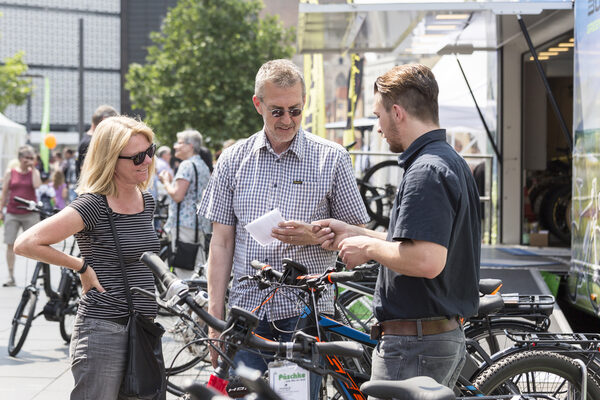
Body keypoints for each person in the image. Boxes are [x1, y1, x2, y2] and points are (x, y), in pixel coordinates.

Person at [198, 59, 370, 378]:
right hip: (246, 311)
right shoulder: (233, 160)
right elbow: (220, 244)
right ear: (258, 105)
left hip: (306, 313)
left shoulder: (331, 158)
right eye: (277, 111)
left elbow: (360, 236)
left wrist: (315, 236)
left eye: (296, 110)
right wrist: (214, 319)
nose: (288, 120)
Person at [314, 64, 481, 388]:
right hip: (428, 340)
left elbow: (426, 260)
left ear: (397, 112)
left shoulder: (426, 171)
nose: (378, 127)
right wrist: (354, 232)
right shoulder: (447, 160)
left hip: (414, 346)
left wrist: (367, 247)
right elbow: (416, 242)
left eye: (378, 116)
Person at [14, 116, 162, 399]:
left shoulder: (146, 200)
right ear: (110, 159)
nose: (147, 161)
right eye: (137, 157)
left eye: (150, 151)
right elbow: (25, 243)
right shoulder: (93, 204)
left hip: (142, 328)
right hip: (103, 329)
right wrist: (80, 266)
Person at [159, 129, 211, 275]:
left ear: (190, 146)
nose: (175, 146)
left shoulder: (186, 165)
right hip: (199, 223)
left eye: (180, 143)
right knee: (197, 267)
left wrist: (166, 182)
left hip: (184, 223)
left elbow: (177, 195)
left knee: (184, 270)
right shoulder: (203, 165)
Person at [0, 145, 42, 286]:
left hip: (30, 214)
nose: (29, 160)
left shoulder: (33, 173)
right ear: (19, 158)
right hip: (12, 212)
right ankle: (11, 276)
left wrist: (34, 168)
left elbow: (37, 185)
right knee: (10, 243)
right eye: (26, 158)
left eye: (31, 158)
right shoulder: (10, 172)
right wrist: (1, 210)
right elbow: (4, 192)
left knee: (38, 244)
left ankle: (40, 276)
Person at [76, 104, 118, 178]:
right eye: (115, 123)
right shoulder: (92, 142)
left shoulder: (88, 139)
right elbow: (86, 170)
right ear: (104, 120)